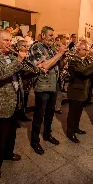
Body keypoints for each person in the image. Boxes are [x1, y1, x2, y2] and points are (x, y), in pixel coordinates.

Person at [0, 29, 30, 180]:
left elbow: (24, 71)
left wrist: (36, 65)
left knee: (12, 133)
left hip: (15, 100)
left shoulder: (11, 56)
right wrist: (19, 61)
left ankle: (8, 154)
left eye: (10, 40)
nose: (9, 43)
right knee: (0, 136)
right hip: (1, 102)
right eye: (6, 40)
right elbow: (0, 74)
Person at [28, 26, 67, 155]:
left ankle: (47, 134)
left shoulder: (51, 50)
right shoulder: (36, 47)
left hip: (53, 85)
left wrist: (62, 56)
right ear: (43, 35)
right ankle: (35, 141)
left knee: (50, 114)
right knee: (39, 116)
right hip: (43, 86)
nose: (53, 38)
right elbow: (44, 66)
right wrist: (59, 54)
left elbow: (59, 66)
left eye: (53, 35)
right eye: (50, 35)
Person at [66, 43, 93, 143]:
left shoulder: (85, 60)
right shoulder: (74, 61)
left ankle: (76, 128)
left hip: (83, 91)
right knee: (73, 113)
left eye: (86, 50)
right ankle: (70, 132)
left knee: (79, 112)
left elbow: (91, 70)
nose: (86, 52)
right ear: (78, 51)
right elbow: (84, 72)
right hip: (76, 91)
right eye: (84, 50)